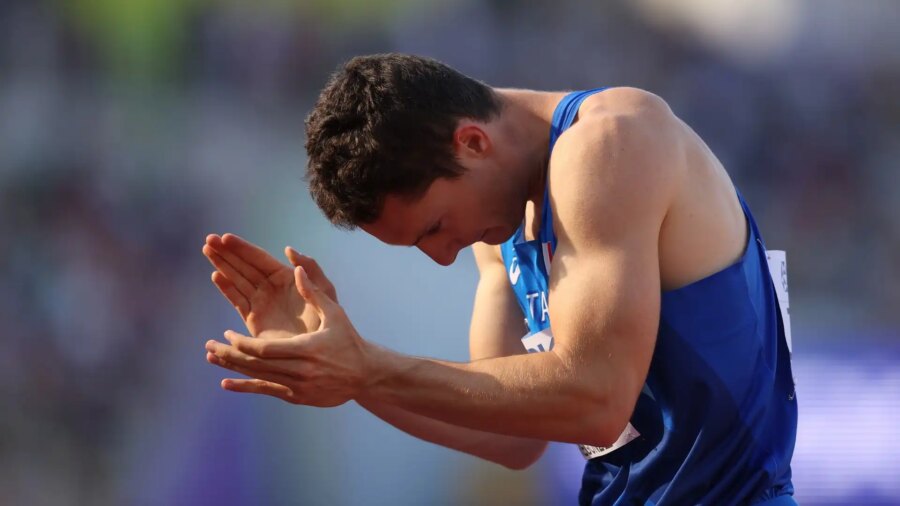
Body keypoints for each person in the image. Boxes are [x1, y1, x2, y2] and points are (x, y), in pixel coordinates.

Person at [201, 53, 798, 505]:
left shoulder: (611, 144)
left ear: (472, 141)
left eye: (434, 227)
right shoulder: (499, 228)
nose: (441, 256)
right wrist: (344, 372)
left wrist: (367, 366)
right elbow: (510, 439)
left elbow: (596, 396)